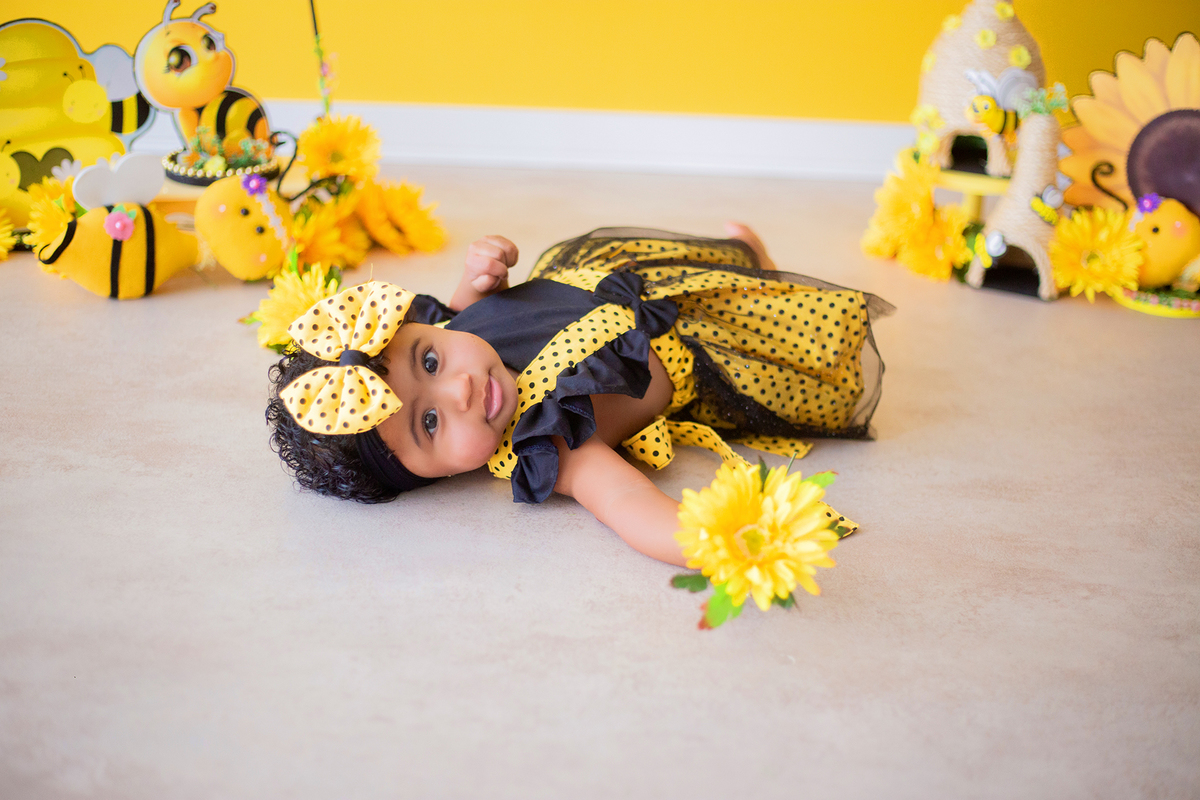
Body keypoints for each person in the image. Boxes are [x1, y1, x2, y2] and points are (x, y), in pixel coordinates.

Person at [267, 225, 891, 566]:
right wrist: (717, 543)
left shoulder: (455, 331)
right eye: (429, 424)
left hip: (613, 276)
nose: (457, 386)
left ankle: (748, 252)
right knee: (774, 322)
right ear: (432, 475)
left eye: (428, 359)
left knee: (710, 260)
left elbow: (461, 313)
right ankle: (758, 272)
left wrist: (480, 275)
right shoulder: (550, 440)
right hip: (691, 340)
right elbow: (628, 504)